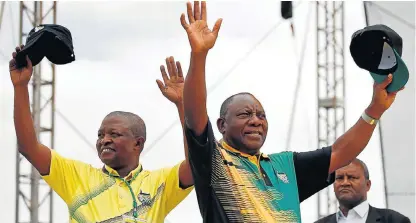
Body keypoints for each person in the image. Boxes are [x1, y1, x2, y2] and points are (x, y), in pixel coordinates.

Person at [179, 1, 404, 222]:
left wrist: (375, 109)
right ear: (221, 125)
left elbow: (341, 152)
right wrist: (199, 55)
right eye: (244, 115)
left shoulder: (286, 167)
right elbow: (194, 114)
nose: (256, 121)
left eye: (261, 115)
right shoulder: (213, 161)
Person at [9, 46, 193, 223]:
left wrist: (183, 104)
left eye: (114, 134)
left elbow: (196, 165)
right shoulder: (76, 176)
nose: (104, 140)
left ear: (138, 143)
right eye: (100, 135)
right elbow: (29, 148)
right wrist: (20, 86)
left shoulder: (160, 183)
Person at [315, 159, 411, 223]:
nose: (345, 183)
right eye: (339, 178)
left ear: (367, 185)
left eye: (352, 177)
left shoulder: (394, 221)